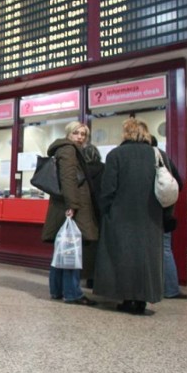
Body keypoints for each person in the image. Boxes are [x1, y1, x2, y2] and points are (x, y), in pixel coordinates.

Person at [94, 118, 165, 314]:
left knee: (123, 256)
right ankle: (142, 300)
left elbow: (108, 189)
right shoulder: (157, 154)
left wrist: (105, 210)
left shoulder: (116, 155)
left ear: (126, 133)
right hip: (151, 215)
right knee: (146, 258)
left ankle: (127, 299)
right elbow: (170, 184)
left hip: (121, 215)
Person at [41, 122, 98, 306]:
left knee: (62, 249)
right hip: (72, 207)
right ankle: (72, 292)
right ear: (68, 134)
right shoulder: (68, 149)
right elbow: (68, 178)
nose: (80, 137)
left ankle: (57, 290)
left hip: (63, 206)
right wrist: (72, 205)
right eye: (76, 133)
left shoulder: (65, 149)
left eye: (83, 134)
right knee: (72, 249)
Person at [150, 136, 187, 300]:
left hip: (150, 214)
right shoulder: (165, 158)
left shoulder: (148, 158)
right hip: (166, 213)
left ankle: (155, 287)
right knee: (165, 249)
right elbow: (178, 184)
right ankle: (171, 289)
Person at [80, 143, 104, 289]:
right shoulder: (105, 168)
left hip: (85, 212)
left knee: (85, 247)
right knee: (99, 247)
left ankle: (84, 276)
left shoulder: (81, 171)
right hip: (100, 212)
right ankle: (95, 279)